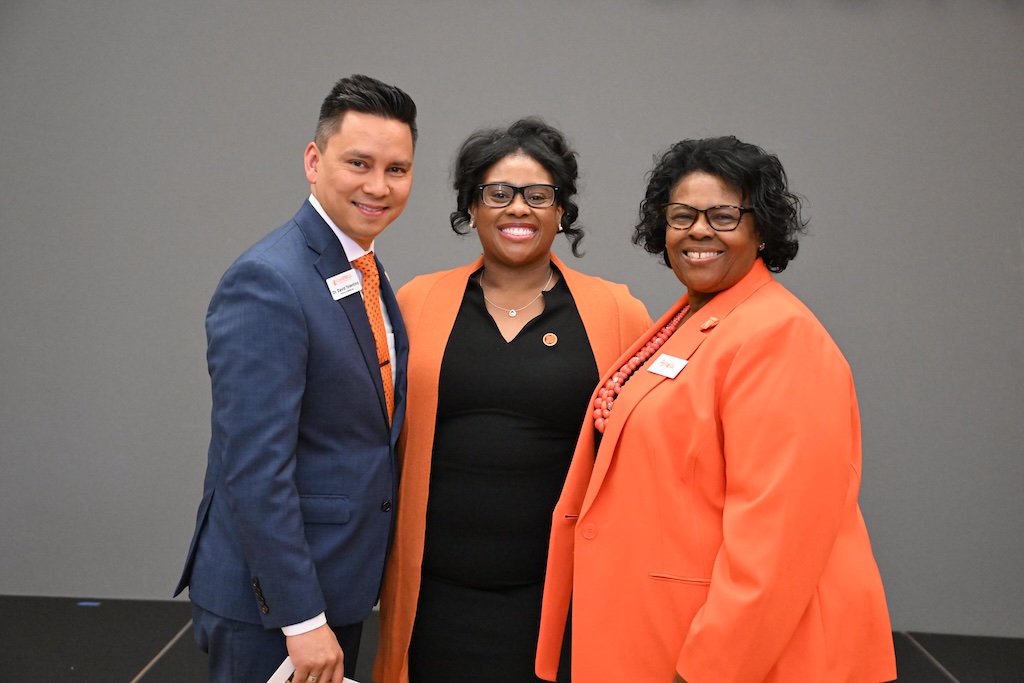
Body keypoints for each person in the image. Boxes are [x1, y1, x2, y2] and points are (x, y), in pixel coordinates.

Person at [536, 136, 897, 683]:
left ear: (761, 229)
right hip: (657, 628)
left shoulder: (780, 337)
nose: (699, 230)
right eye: (682, 215)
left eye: (724, 215)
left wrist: (709, 671)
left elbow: (775, 543)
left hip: (732, 654)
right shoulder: (694, 317)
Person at [374, 118, 652, 683]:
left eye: (538, 196)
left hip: (560, 596)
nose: (517, 209)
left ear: (562, 211)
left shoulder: (618, 313)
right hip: (435, 596)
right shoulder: (417, 301)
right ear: (471, 209)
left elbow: (645, 457)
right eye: (497, 193)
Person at [174, 74, 417, 683]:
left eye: (397, 169)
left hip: (335, 581)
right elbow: (255, 466)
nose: (378, 186)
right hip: (278, 605)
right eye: (358, 163)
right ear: (314, 161)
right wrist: (302, 619)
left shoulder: (358, 262)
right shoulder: (269, 281)